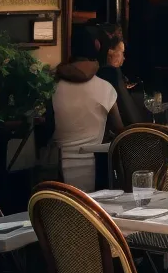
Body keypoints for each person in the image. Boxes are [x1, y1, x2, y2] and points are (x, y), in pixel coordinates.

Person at [52, 56, 123, 192]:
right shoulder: (105, 87)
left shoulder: (53, 87)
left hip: (57, 166)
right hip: (96, 166)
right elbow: (119, 128)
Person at [96, 34, 145, 126]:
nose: (124, 57)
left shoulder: (103, 75)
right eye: (122, 52)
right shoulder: (111, 75)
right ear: (110, 52)